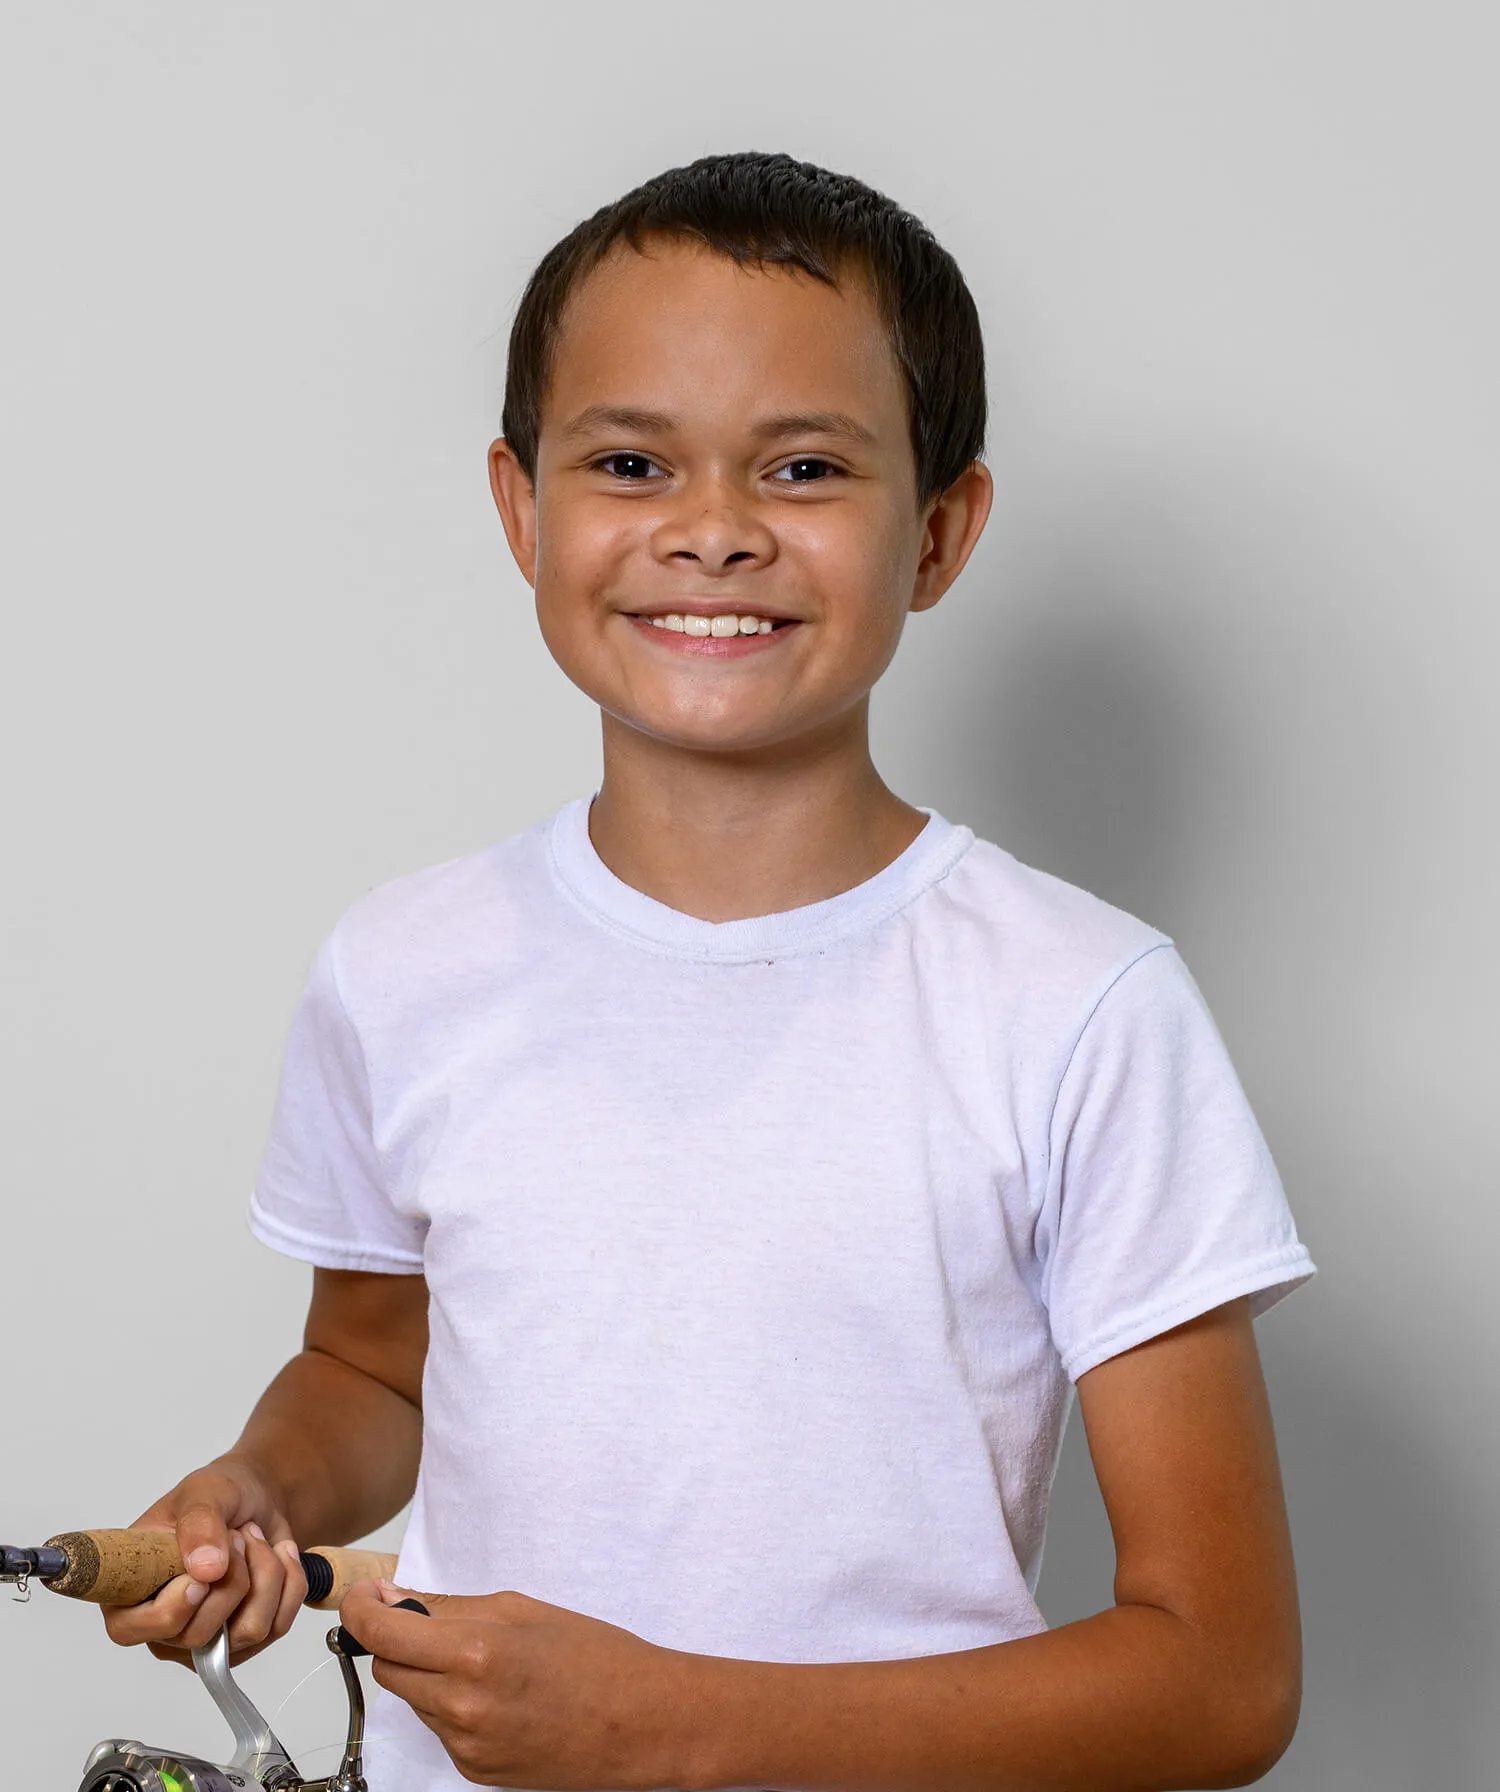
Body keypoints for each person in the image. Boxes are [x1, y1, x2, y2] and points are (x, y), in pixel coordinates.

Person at [102, 151, 1318, 1791]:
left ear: (942, 530)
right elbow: (373, 1367)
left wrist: (671, 1728)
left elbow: (1221, 1677)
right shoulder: (401, 968)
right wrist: (263, 1485)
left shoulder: (1081, 1005)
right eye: (628, 460)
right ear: (523, 509)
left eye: (805, 467)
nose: (714, 532)